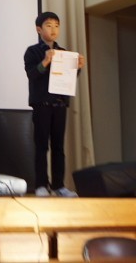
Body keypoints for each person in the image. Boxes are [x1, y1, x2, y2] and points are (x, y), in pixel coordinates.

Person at [24, 11, 85, 198]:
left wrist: (77, 68)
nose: (53, 30)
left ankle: (59, 186)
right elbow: (32, 74)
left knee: (59, 146)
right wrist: (45, 61)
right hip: (42, 104)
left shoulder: (64, 53)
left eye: (57, 26)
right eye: (49, 25)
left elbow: (68, 78)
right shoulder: (32, 51)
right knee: (42, 145)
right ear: (39, 29)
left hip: (59, 104)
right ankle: (41, 185)